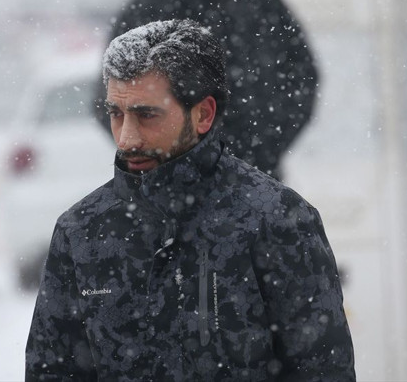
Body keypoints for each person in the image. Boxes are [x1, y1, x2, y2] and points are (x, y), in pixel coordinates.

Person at [26, 20, 355, 381]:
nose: (126, 139)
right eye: (116, 115)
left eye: (146, 114)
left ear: (203, 114)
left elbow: (323, 371)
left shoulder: (278, 221)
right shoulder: (81, 232)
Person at [95, 0, 319, 180]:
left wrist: (263, 147)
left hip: (256, 179)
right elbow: (110, 97)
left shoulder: (262, 4)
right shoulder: (148, 11)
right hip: (165, 191)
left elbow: (302, 79)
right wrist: (162, 158)